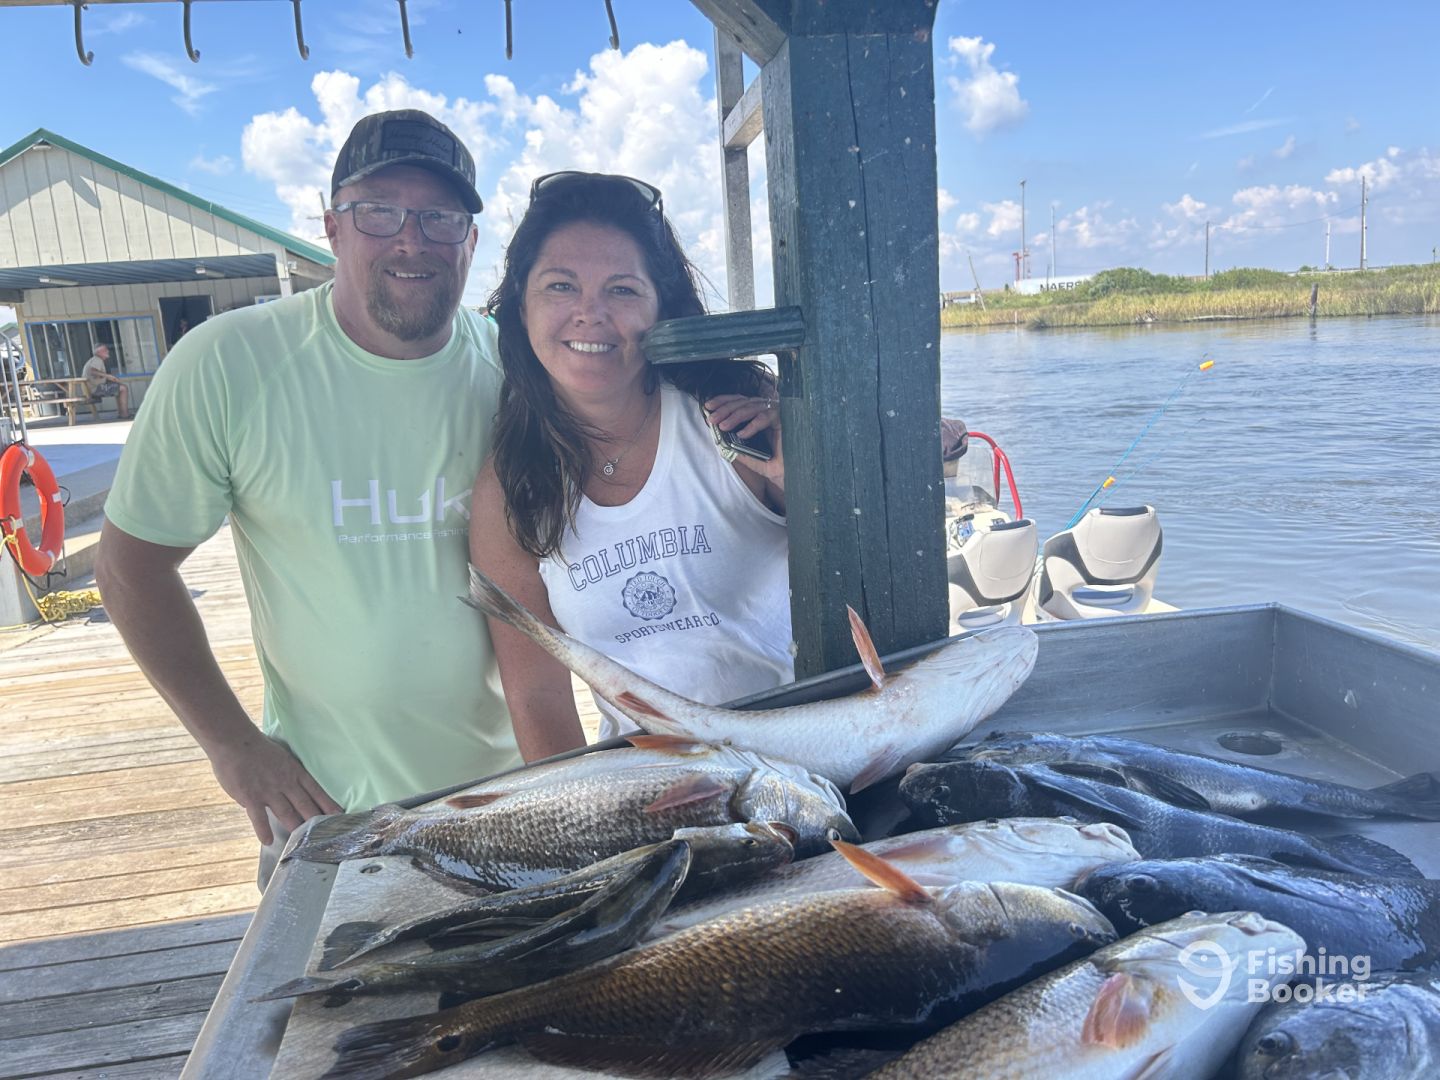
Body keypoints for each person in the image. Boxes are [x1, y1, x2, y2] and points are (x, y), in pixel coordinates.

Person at [96, 109, 523, 888]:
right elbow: (131, 569)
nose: (412, 239)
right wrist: (232, 747)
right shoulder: (230, 362)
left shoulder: (517, 370)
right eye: (379, 212)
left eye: (439, 217)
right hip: (329, 817)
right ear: (331, 226)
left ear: (469, 239)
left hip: (510, 804)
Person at [470, 171, 790, 762]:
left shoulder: (736, 411)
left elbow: (865, 556)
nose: (589, 314)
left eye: (622, 290)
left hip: (804, 756)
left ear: (660, 306)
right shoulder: (509, 485)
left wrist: (801, 477)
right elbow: (538, 694)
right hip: (646, 781)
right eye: (560, 286)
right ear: (520, 305)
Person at [82, 345, 132, 420]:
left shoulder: (95, 360)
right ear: (98, 352)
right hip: (95, 389)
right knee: (123, 388)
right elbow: (93, 371)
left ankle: (122, 413)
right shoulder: (97, 360)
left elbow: (97, 376)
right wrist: (108, 376)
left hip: (92, 388)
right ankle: (124, 414)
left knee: (118, 387)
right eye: (105, 350)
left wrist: (110, 379)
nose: (108, 351)